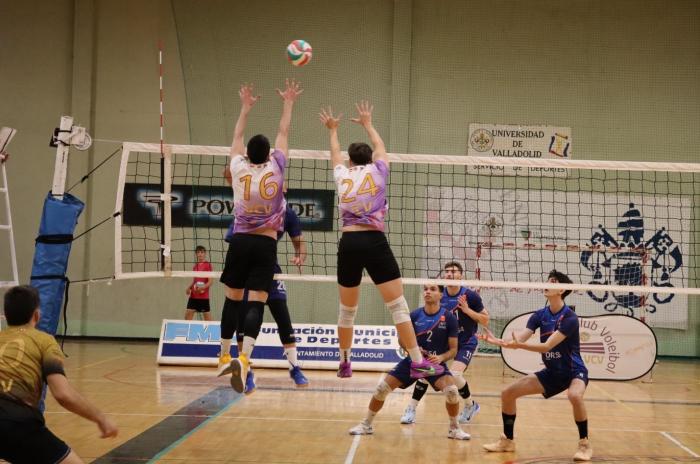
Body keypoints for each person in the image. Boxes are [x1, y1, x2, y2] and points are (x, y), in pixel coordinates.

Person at [319, 103, 441, 379]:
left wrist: (333, 130)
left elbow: (334, 155)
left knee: (347, 310)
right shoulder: (379, 170)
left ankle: (345, 362)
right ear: (371, 159)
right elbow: (381, 147)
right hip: (374, 241)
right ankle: (417, 361)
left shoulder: (343, 175)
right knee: (397, 306)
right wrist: (368, 123)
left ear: (351, 162)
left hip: (349, 243)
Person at [218, 79, 302, 394]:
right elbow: (284, 132)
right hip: (265, 244)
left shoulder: (237, 168)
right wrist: (288, 102)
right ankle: (244, 358)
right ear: (269, 154)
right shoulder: (277, 167)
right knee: (256, 303)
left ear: (247, 155)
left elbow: (237, 136)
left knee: (232, 300)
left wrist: (245, 107)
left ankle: (223, 355)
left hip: (239, 241)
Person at [480, 270, 592, 461]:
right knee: (507, 394)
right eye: (547, 280)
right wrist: (497, 341)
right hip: (553, 372)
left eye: (553, 281)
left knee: (574, 395)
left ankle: (584, 445)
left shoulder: (570, 318)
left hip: (574, 371)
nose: (547, 283)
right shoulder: (539, 315)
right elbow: (519, 339)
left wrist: (519, 345)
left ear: (562, 290)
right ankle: (507, 441)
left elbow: (546, 346)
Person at [0, 285, 118, 464]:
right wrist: (100, 418)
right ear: (36, 315)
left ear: (6, 315)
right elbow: (63, 394)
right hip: (17, 422)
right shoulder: (44, 341)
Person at [348, 284, 470, 440]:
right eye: (425, 289)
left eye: (432, 289)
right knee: (381, 389)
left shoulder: (450, 318)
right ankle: (366, 424)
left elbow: (453, 349)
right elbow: (401, 340)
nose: (427, 291)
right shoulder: (414, 315)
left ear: (441, 295)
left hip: (434, 365)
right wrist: (413, 350)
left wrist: (441, 358)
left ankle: (454, 429)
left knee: (452, 392)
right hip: (413, 361)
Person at [222, 195, 310, 393]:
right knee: (244, 319)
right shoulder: (249, 206)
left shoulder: (288, 212)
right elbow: (234, 239)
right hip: (249, 271)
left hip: (270, 267)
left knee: (282, 316)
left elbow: (300, 243)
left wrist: (300, 256)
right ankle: (246, 371)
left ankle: (295, 368)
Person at [401, 261, 489, 424]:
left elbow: (485, 319)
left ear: (461, 275)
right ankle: (411, 409)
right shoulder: (440, 294)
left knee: (455, 375)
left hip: (466, 341)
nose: (449, 274)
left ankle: (470, 406)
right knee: (426, 372)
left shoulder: (471, 296)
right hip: (445, 341)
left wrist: (467, 310)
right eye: (447, 271)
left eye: (453, 271)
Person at [184, 245, 213, 321]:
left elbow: (210, 281)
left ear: (205, 253)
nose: (200, 254)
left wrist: (202, 287)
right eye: (198, 252)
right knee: (187, 317)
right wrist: (189, 288)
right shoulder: (195, 266)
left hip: (203, 297)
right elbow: (195, 281)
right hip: (193, 296)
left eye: (202, 252)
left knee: (208, 321)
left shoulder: (208, 265)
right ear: (196, 254)